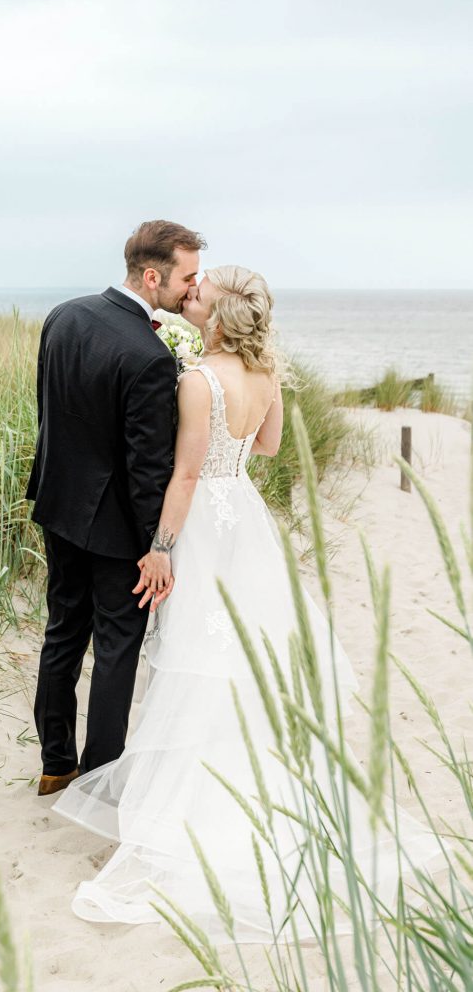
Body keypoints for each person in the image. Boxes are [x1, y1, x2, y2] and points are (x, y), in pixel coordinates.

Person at [53, 265, 443, 942]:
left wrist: (163, 547)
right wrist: (227, 471)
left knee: (196, 654)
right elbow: (263, 446)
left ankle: (190, 795)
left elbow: (180, 472)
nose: (189, 297)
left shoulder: (196, 380)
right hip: (245, 517)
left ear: (220, 317)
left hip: (202, 521)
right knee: (239, 650)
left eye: (199, 296)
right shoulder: (266, 376)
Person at [26, 220, 207, 796]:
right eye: (187, 277)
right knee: (115, 652)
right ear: (152, 276)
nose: (191, 288)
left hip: (58, 506)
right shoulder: (150, 356)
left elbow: (47, 414)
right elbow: (146, 469)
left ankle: (56, 764)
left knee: (62, 634)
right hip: (115, 532)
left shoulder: (64, 315)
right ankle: (99, 780)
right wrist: (158, 547)